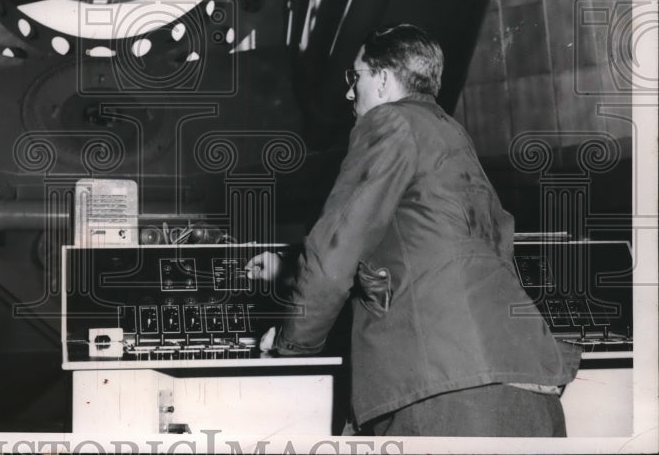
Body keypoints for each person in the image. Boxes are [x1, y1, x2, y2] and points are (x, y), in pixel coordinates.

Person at [245, 23, 580, 436]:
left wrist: (292, 347)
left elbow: (335, 252)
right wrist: (287, 267)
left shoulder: (388, 122)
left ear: (383, 80)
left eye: (357, 77)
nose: (350, 92)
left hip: (447, 393)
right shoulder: (450, 133)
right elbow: (432, 249)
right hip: (527, 383)